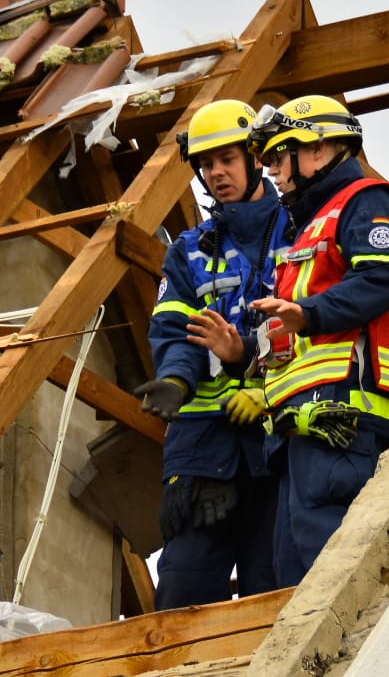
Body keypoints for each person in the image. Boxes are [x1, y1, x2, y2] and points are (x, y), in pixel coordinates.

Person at [244, 95, 389, 588]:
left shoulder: (366, 199)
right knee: (294, 585)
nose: (272, 172)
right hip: (302, 430)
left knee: (333, 579)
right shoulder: (309, 226)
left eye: (278, 156)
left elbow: (385, 278)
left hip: (344, 420)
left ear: (319, 148)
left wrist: (307, 314)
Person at [131, 99, 289, 609]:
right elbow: (177, 331)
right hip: (203, 454)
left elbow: (317, 331)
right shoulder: (188, 250)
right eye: (206, 163)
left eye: (226, 159)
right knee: (182, 595)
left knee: (273, 599)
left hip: (278, 446)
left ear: (254, 156)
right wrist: (176, 380)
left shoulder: (301, 231)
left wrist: (255, 375)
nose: (216, 173)